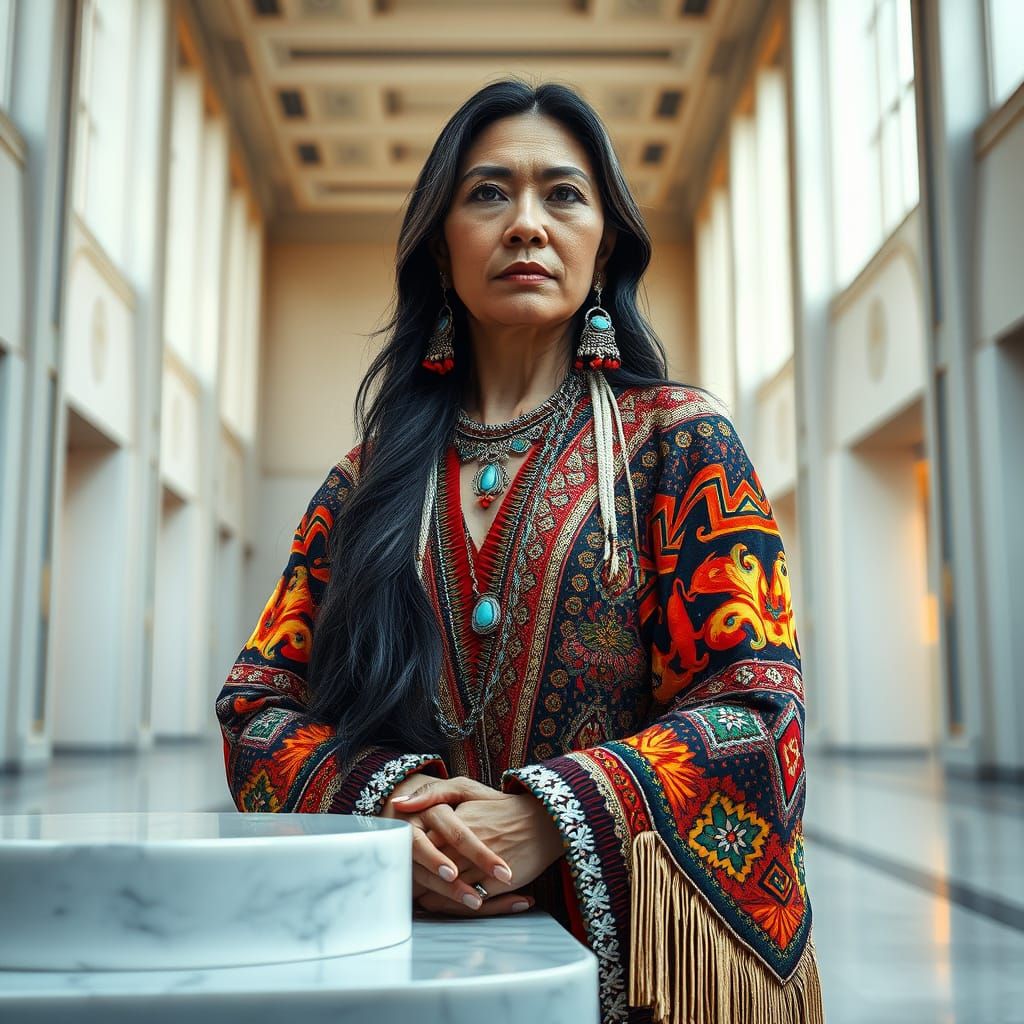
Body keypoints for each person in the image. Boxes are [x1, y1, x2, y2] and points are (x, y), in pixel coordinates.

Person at [215, 80, 824, 1024]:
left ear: (604, 241)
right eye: (489, 192)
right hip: (410, 960)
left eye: (564, 195)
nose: (527, 225)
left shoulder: (679, 444)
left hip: (628, 974)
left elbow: (760, 709)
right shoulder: (364, 482)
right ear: (440, 240)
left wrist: (551, 815)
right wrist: (390, 807)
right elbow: (257, 707)